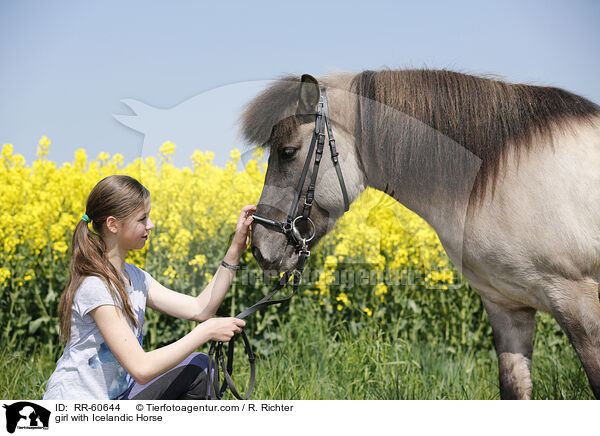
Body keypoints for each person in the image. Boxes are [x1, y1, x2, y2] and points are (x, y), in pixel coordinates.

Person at [43, 174, 255, 400]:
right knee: (199, 367)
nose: (151, 225)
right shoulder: (95, 286)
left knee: (201, 368)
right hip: (80, 410)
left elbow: (200, 308)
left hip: (119, 398)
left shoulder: (136, 277)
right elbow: (141, 369)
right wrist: (204, 332)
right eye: (142, 219)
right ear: (113, 224)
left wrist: (236, 248)